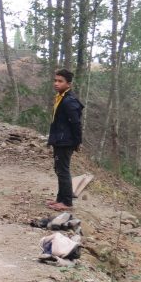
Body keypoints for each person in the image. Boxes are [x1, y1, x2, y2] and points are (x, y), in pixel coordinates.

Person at [48, 69, 83, 210]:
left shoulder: (69, 101)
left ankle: (67, 202)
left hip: (66, 141)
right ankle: (60, 199)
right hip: (59, 139)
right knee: (59, 169)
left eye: (60, 81)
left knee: (63, 170)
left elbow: (76, 123)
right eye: (55, 80)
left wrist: (77, 142)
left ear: (68, 84)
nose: (56, 83)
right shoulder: (60, 97)